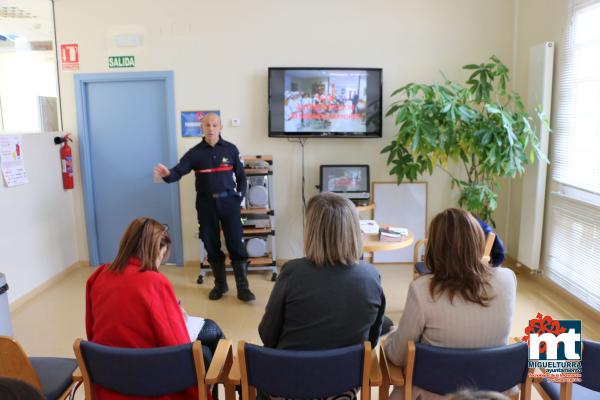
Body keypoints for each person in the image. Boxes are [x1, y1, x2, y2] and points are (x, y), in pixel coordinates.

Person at [86, 217, 226, 400]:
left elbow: (92, 330)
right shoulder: (154, 282)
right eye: (161, 257)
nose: (158, 265)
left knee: (210, 335)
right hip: (150, 383)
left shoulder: (98, 275)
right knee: (206, 350)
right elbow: (178, 347)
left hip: (108, 379)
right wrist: (177, 317)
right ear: (154, 251)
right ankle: (237, 386)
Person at [384, 208, 517, 400]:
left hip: (433, 393)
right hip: (493, 392)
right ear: (477, 240)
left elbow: (398, 356)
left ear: (434, 247)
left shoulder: (422, 289)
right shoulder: (507, 279)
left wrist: (390, 338)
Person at [259, 192, 385, 351]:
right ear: (354, 232)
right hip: (347, 374)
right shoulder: (372, 276)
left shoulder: (292, 272)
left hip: (291, 371)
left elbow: (267, 335)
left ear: (312, 232)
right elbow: (371, 342)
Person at [154, 113, 255, 302]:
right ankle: (220, 285)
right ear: (202, 128)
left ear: (220, 127)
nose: (211, 128)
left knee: (235, 244)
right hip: (206, 205)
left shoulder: (231, 150)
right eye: (207, 125)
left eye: (214, 125)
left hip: (229, 204)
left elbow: (242, 177)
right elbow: (178, 171)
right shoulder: (194, 153)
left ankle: (243, 288)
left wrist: (239, 197)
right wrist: (167, 174)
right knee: (211, 244)